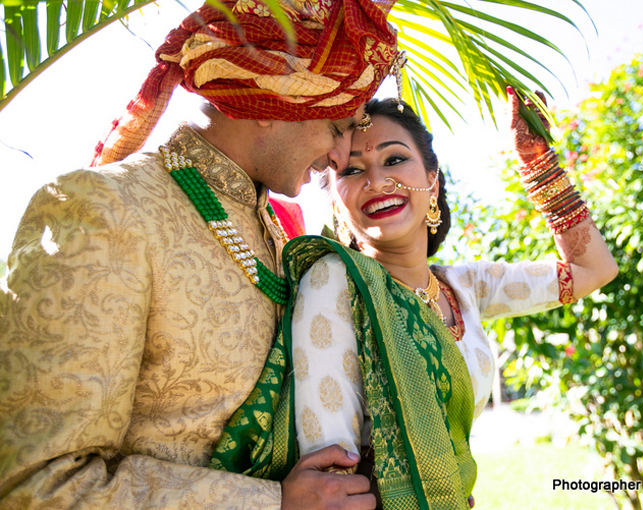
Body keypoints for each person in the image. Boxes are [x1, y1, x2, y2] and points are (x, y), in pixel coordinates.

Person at [0, 0, 401, 508]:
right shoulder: (104, 208)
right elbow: (36, 484)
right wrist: (274, 503)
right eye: (338, 128)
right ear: (271, 97)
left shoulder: (275, 236)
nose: (340, 158)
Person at [211, 92, 619, 509]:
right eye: (352, 170)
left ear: (433, 180)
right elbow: (331, 474)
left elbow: (593, 271)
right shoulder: (335, 282)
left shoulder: (463, 287)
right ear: (337, 202)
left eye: (393, 160)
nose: (376, 181)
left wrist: (538, 163)